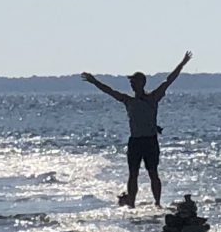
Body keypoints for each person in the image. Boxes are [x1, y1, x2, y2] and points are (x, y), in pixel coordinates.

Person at [81, 51, 191, 206]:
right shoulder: (128, 100)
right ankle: (131, 203)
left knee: (153, 172)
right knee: (133, 174)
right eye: (131, 82)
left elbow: (169, 80)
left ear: (142, 83)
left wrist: (182, 63)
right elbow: (110, 91)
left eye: (134, 82)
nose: (132, 84)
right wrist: (94, 81)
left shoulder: (153, 97)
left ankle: (157, 202)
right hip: (135, 141)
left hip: (150, 141)